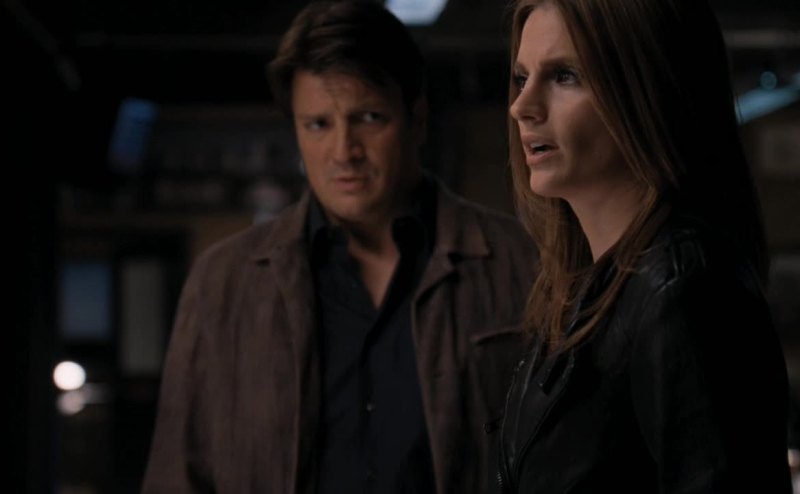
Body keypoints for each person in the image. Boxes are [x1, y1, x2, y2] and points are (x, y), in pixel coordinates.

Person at [141, 1, 537, 493]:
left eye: (368, 118)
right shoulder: (223, 282)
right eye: (318, 124)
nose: (343, 151)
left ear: (416, 119)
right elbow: (177, 473)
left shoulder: (520, 263)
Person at [494, 0, 793, 492]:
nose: (521, 106)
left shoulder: (681, 285)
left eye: (565, 75)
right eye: (521, 78)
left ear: (646, 91)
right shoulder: (591, 286)